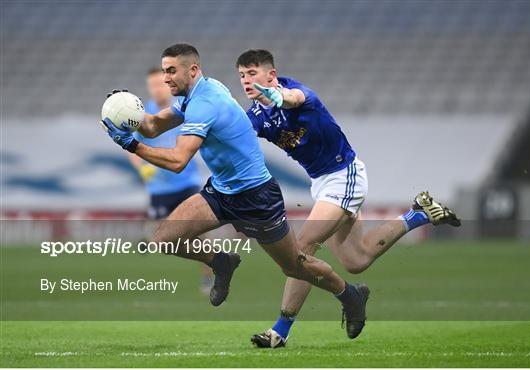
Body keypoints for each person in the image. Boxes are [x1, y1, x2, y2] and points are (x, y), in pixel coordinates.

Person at [100, 43, 369, 340]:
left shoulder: (206, 104)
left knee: (295, 266)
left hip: (256, 197)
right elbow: (151, 126)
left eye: (172, 71)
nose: (166, 78)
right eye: (164, 71)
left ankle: (349, 295)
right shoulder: (194, 95)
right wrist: (126, 118)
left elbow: (177, 161)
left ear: (192, 70)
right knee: (165, 239)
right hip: (222, 191)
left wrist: (130, 145)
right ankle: (221, 261)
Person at [236, 49, 461, 348]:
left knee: (301, 247)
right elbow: (233, 135)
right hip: (321, 184)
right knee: (356, 260)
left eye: (252, 74)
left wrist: (280, 97)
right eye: (241, 76)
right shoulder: (256, 116)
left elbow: (295, 99)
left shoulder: (296, 92)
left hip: (345, 175)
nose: (246, 81)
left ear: (271, 75)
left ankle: (280, 331)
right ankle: (418, 215)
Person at [127, 67, 212, 295]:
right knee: (159, 238)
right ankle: (148, 233)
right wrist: (141, 168)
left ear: (167, 84)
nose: (156, 89)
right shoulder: (143, 113)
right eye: (152, 85)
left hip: (186, 182)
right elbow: (131, 148)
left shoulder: (182, 107)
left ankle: (209, 275)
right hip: (159, 187)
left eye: (160, 84)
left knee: (199, 233)